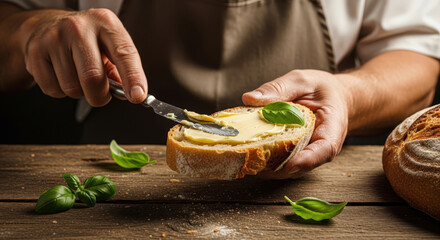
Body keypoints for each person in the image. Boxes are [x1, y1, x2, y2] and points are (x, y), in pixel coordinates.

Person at [0, 0, 439, 179]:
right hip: (110, 173)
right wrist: (30, 30)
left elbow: (416, 56)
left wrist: (347, 95)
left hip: (307, 185)